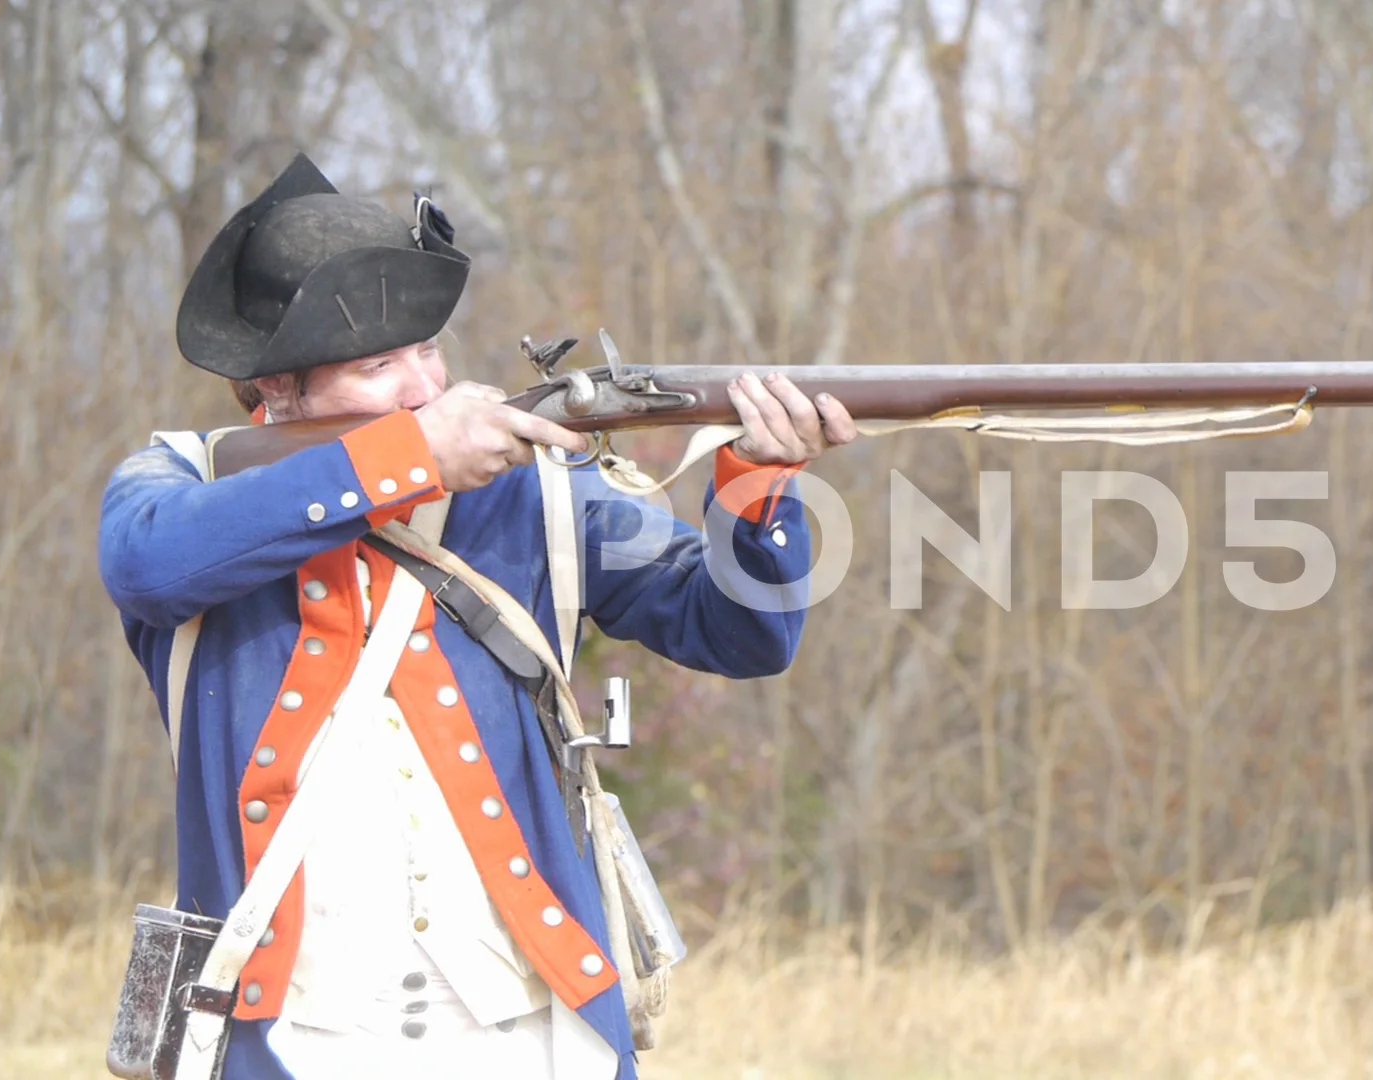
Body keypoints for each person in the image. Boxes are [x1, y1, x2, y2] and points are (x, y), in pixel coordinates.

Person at [98, 152, 855, 1079]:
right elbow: (147, 562)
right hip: (293, 1041)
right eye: (381, 365)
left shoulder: (533, 488)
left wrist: (758, 484)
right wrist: (402, 460)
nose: (425, 388)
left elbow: (740, 631)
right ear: (278, 394)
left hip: (536, 1038)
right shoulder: (185, 484)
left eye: (428, 351)